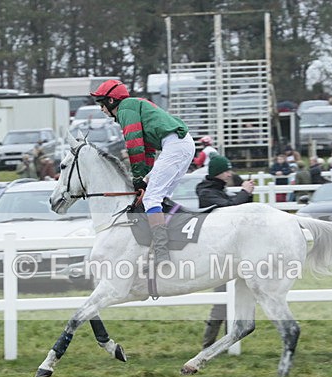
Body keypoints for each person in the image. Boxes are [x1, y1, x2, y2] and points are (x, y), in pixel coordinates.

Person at [91, 79, 195, 266]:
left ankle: (162, 253)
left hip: (175, 145)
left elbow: (134, 144)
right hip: (178, 145)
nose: (101, 108)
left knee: (151, 199)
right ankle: (169, 240)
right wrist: (143, 177)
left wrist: (138, 177)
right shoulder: (133, 107)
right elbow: (147, 150)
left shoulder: (125, 109)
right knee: (158, 196)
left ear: (112, 101)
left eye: (101, 103)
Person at [195, 155, 254, 349]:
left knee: (232, 300)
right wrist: (244, 192)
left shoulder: (217, 190)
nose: (230, 173)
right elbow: (231, 209)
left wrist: (247, 194)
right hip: (218, 255)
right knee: (222, 301)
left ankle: (220, 343)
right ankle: (209, 344)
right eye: (226, 170)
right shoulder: (206, 192)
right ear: (217, 172)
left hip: (230, 253)